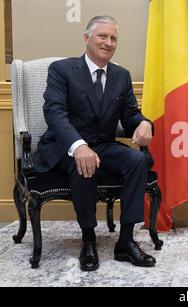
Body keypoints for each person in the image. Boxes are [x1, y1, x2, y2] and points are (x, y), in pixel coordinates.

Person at [33, 16, 156, 271]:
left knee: (138, 160)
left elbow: (130, 115)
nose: (108, 43)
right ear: (87, 38)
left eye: (113, 38)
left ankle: (125, 242)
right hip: (63, 145)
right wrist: (78, 146)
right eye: (102, 36)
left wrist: (144, 123)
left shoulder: (121, 76)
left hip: (101, 144)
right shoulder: (62, 70)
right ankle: (88, 239)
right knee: (84, 164)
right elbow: (55, 113)